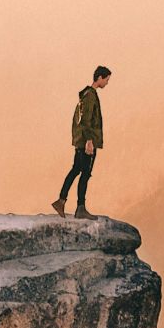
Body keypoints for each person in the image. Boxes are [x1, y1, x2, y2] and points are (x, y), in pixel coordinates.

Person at [53, 66, 111, 219]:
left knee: (76, 170)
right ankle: (80, 208)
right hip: (86, 141)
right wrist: (90, 141)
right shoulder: (90, 95)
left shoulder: (85, 95)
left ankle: (61, 200)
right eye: (106, 79)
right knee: (85, 173)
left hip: (81, 141)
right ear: (99, 78)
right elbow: (86, 120)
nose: (107, 83)